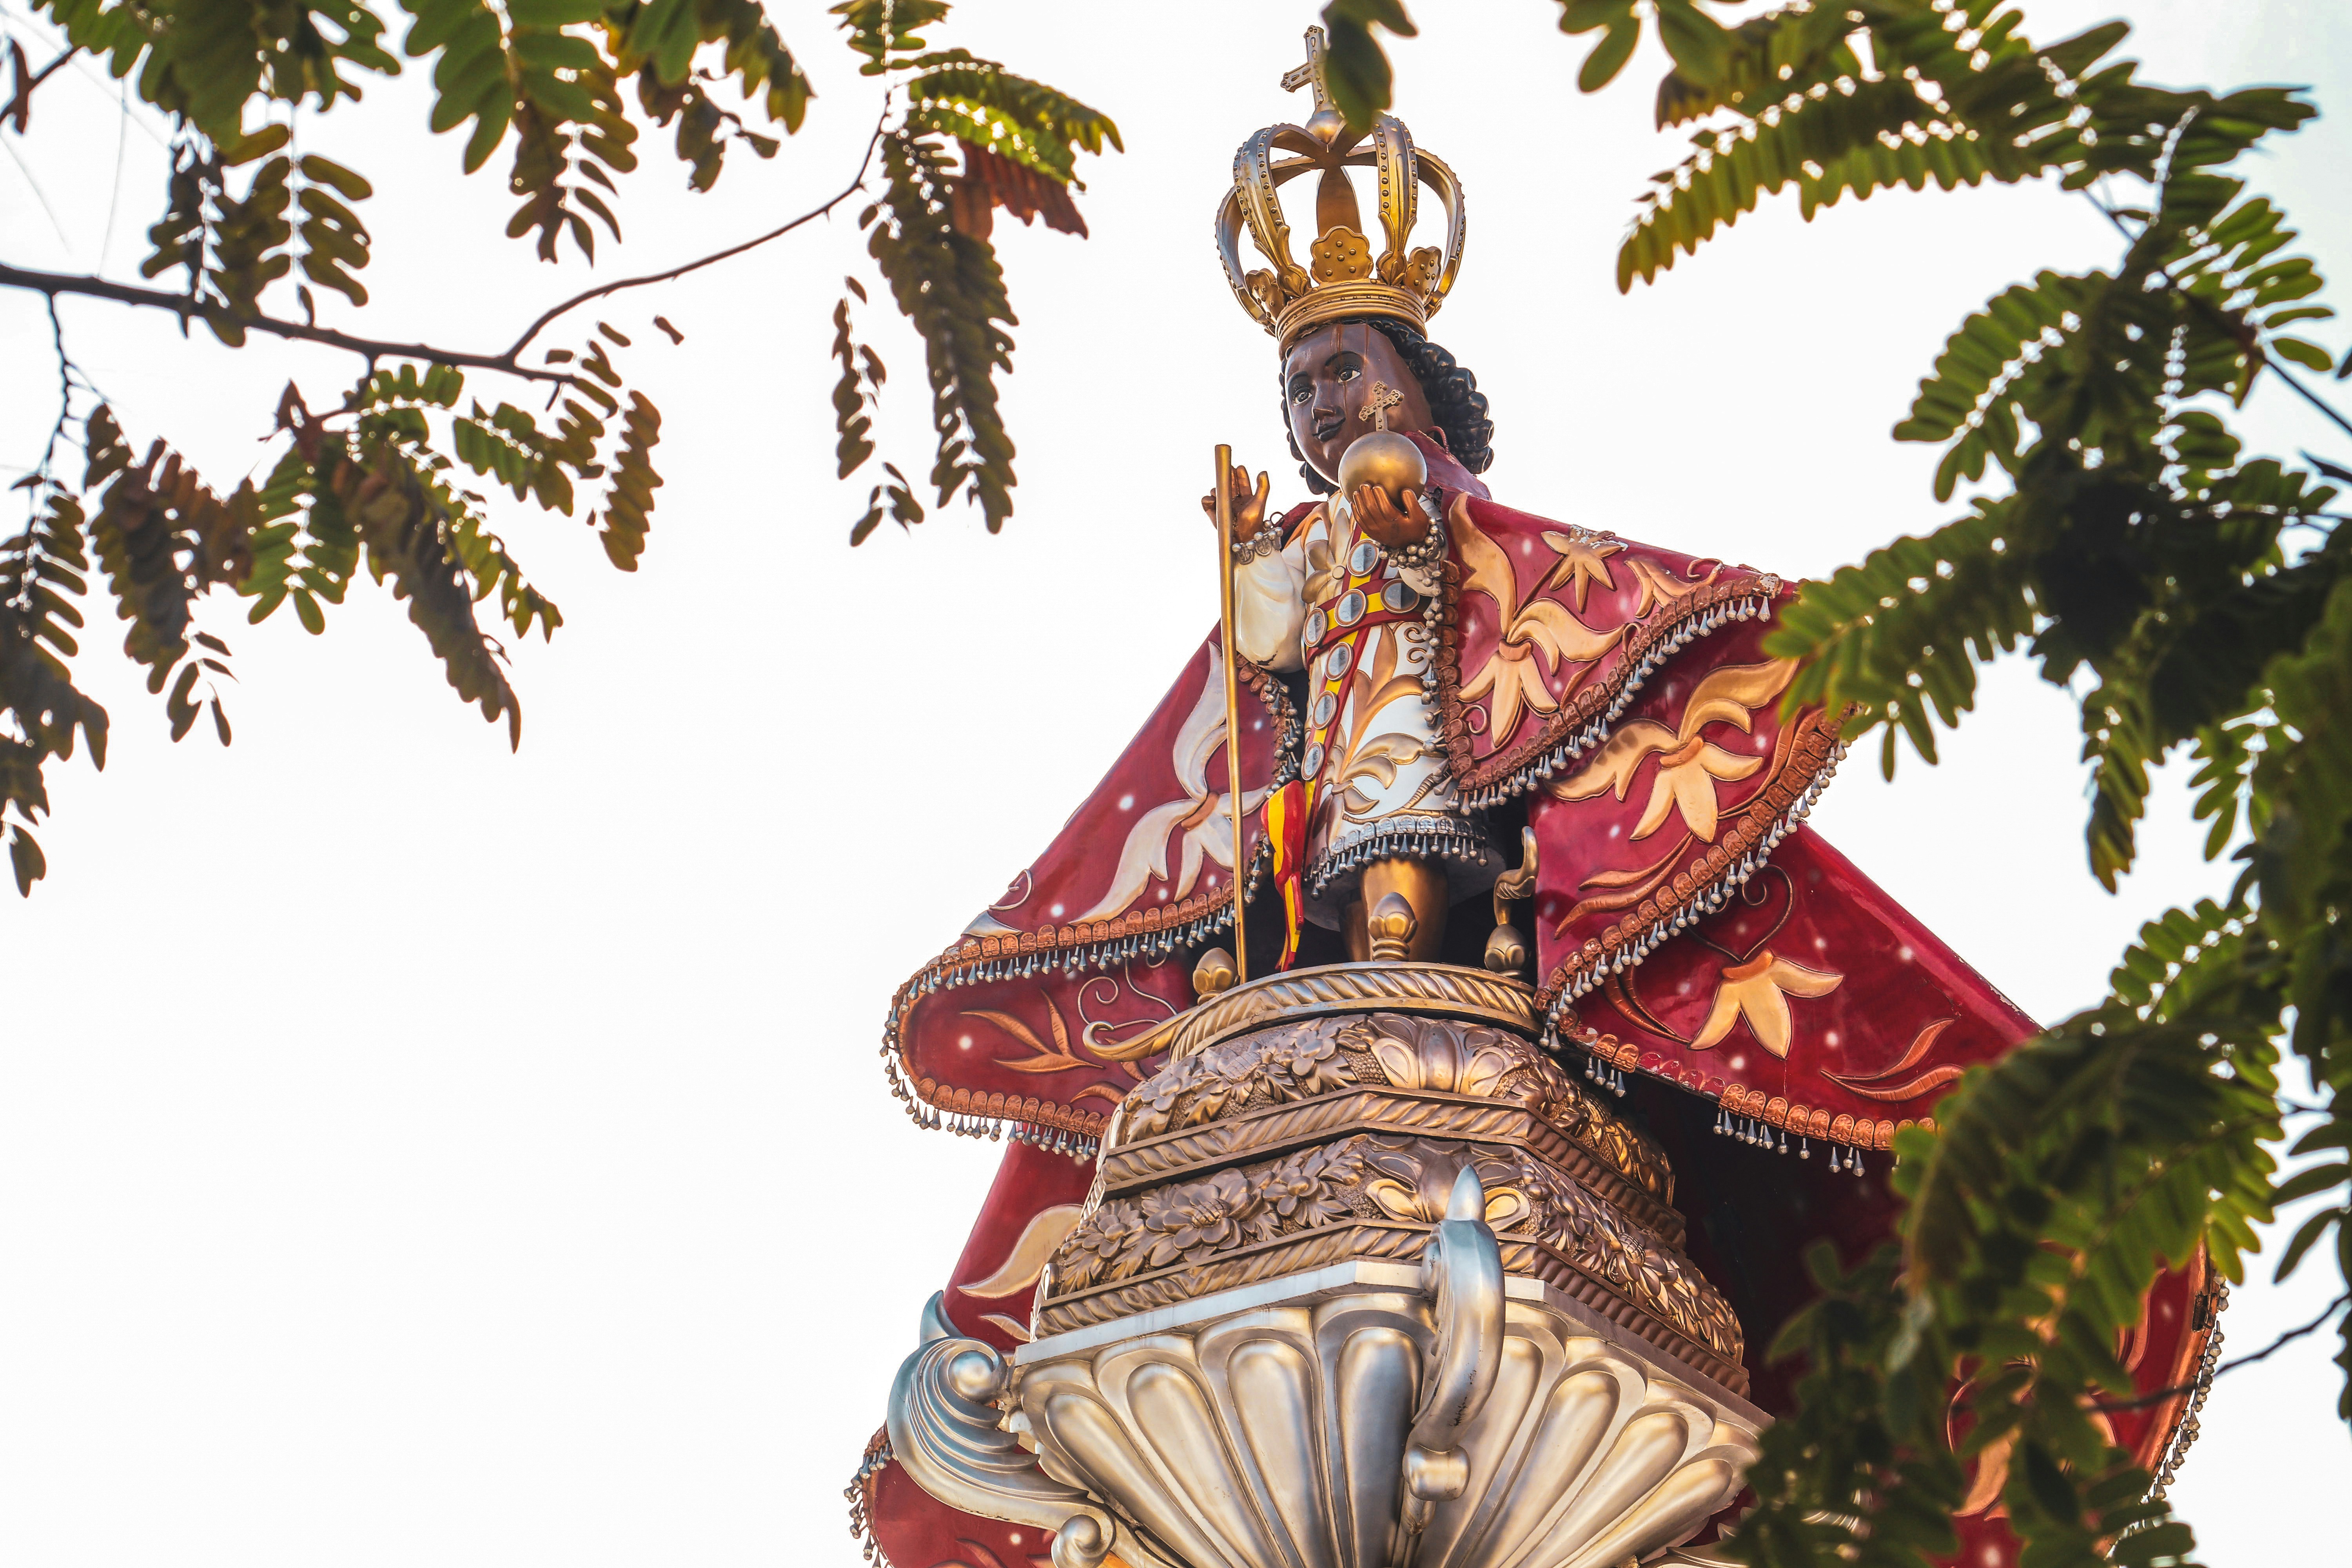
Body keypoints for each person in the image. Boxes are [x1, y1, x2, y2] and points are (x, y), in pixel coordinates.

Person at [852, 31, 2217, 1568]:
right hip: (1334, 830)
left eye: (1339, 371)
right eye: (1296, 384)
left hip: (1454, 819)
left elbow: (1553, 637)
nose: (1315, 406)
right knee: (1318, 919)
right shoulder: (1300, 569)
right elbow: (1241, 728)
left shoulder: (1467, 545)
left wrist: (1411, 557)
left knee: (1432, 908)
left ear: (1410, 384)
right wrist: (1257, 607)